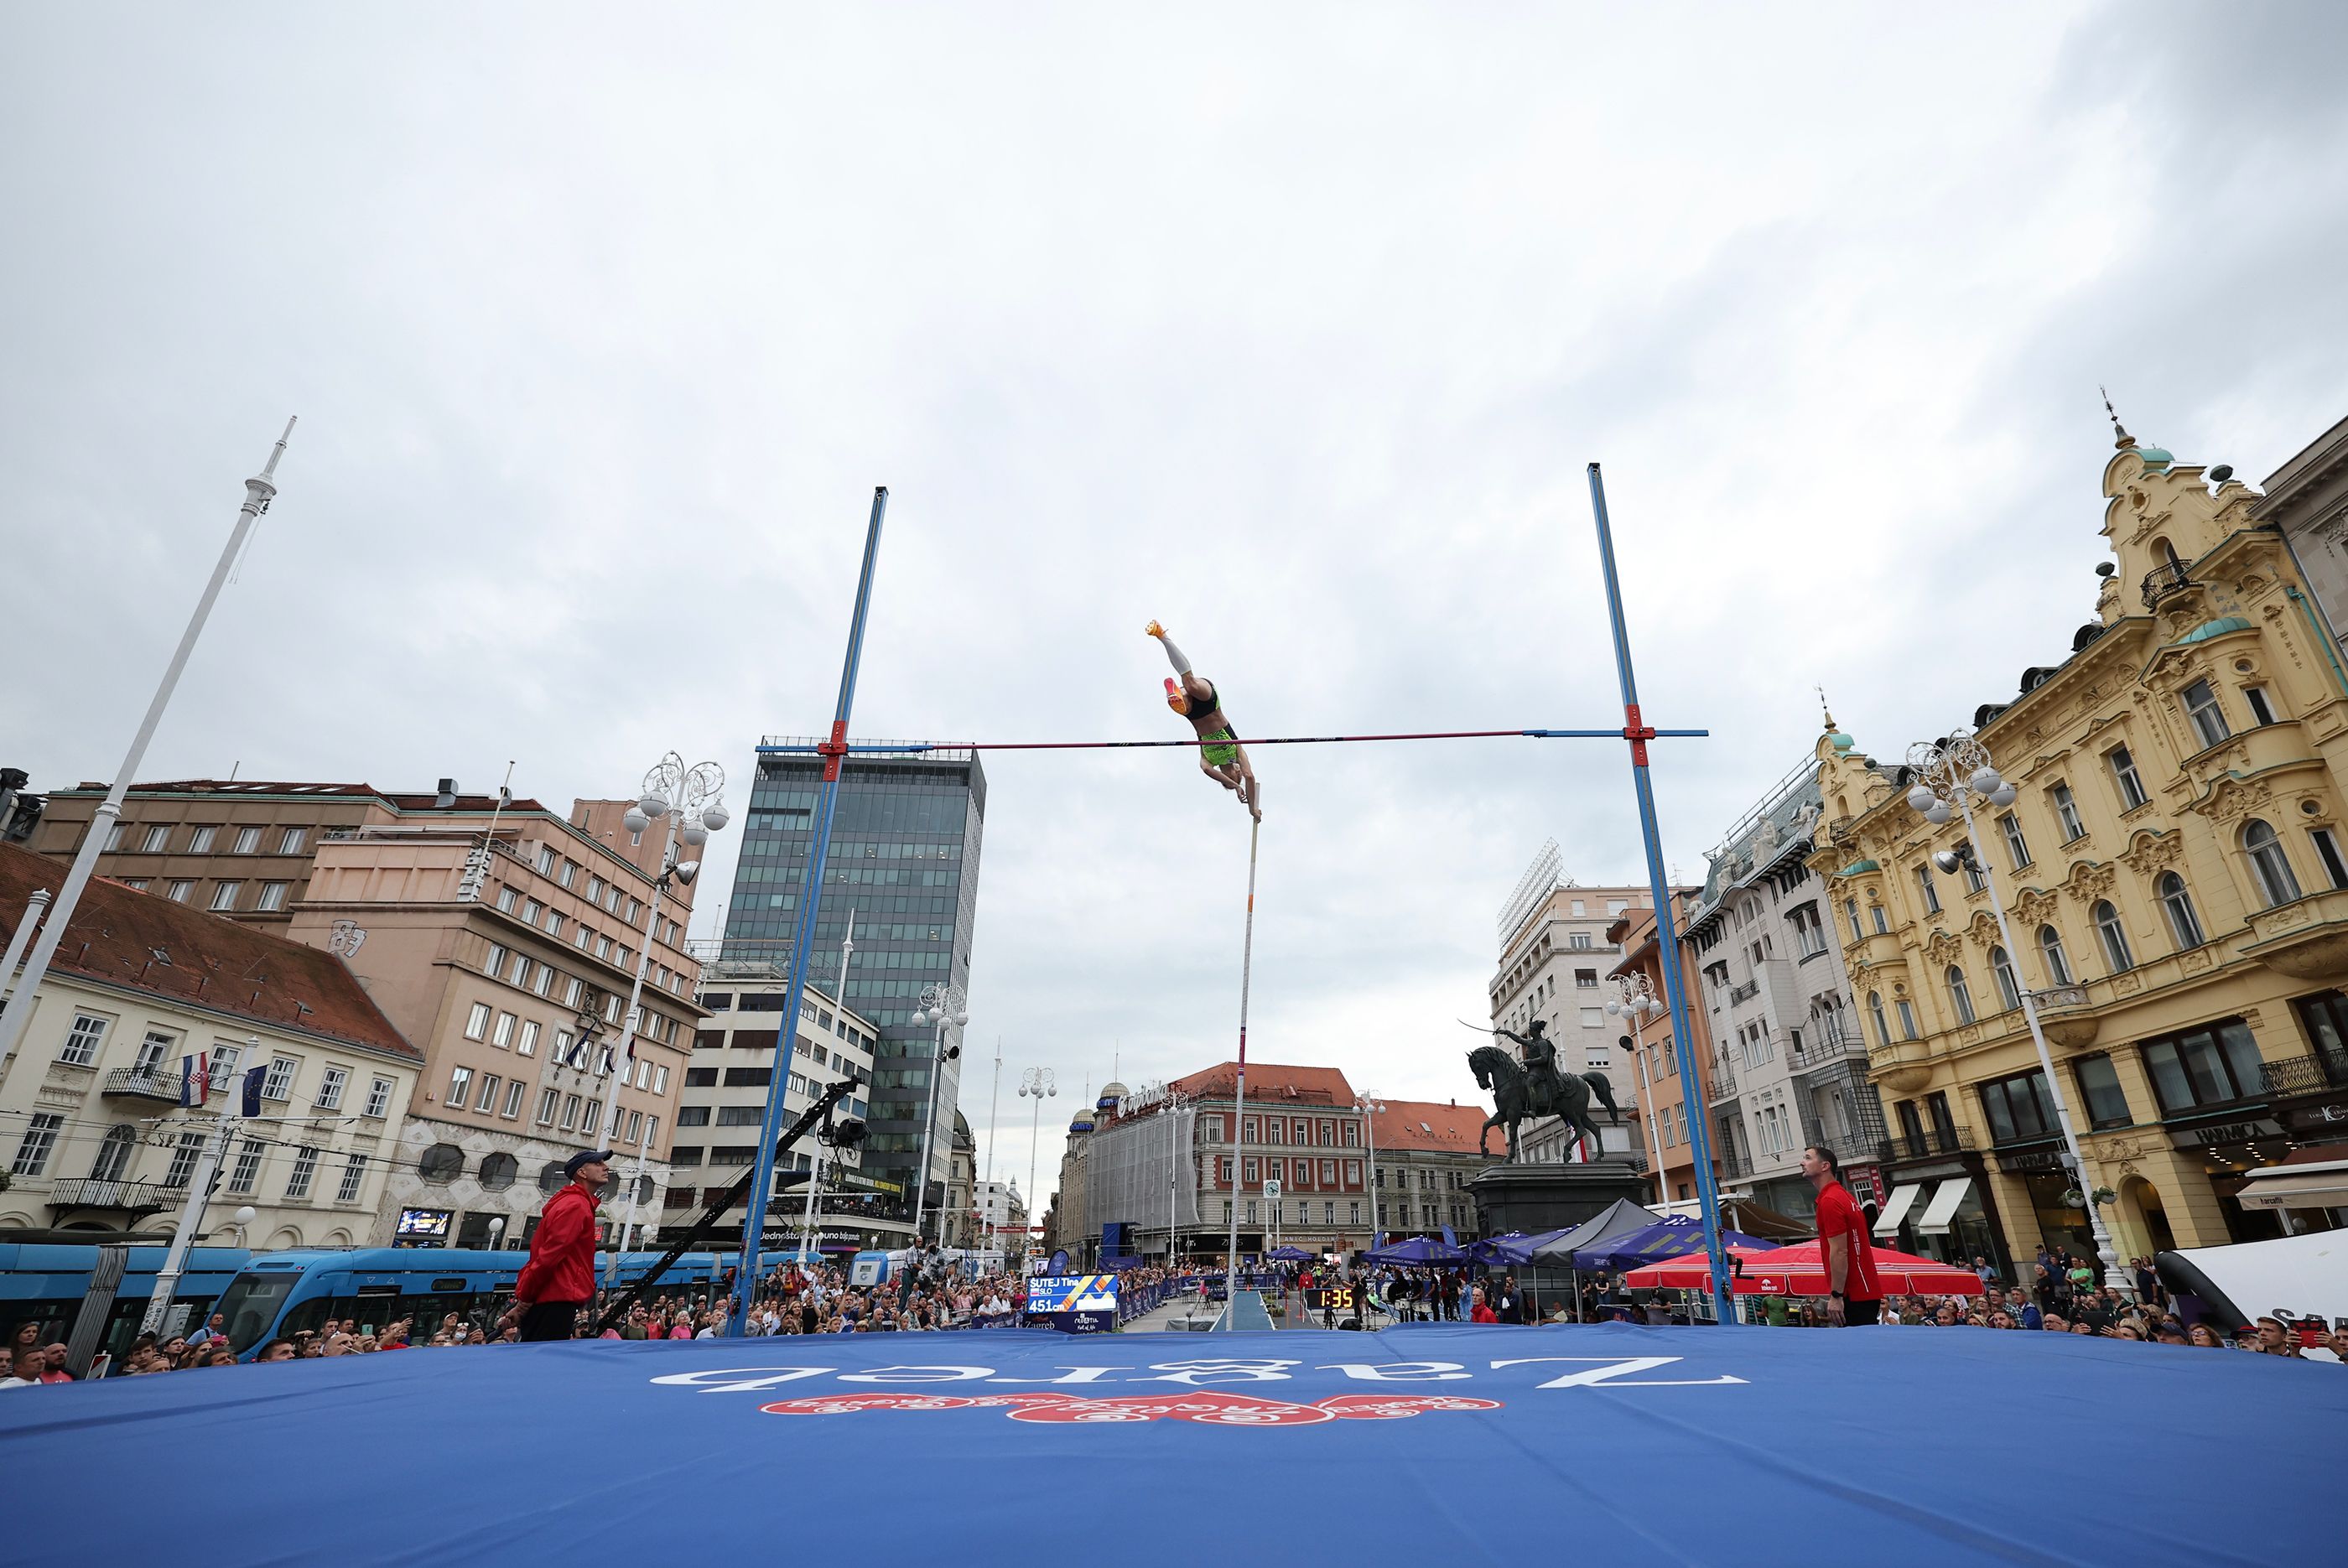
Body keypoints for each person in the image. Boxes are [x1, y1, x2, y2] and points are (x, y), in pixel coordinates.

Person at [1145, 621, 1261, 820]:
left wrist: (1234, 787)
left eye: (1231, 779)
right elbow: (1250, 777)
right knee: (1189, 682)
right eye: (1236, 776)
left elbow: (1206, 770)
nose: (1236, 776)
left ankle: (1177, 696)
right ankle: (1162, 635)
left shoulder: (1209, 760)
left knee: (1183, 701)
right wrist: (1252, 808)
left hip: (1193, 713)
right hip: (1210, 704)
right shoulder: (1237, 752)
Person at [500, 1148, 614, 1342]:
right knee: (542, 1362)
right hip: (555, 1300)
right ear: (582, 1172)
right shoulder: (576, 1205)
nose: (606, 1167)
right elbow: (548, 1257)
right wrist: (524, 1302)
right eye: (598, 1163)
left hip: (553, 1299)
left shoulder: (574, 1202)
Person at [1801, 1144, 1883, 1326]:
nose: (1802, 1162)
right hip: (1865, 1291)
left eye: (1808, 1158)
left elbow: (1840, 1252)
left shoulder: (1830, 1201)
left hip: (1852, 1295)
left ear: (1825, 1166)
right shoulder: (1845, 1197)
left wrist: (1836, 1295)